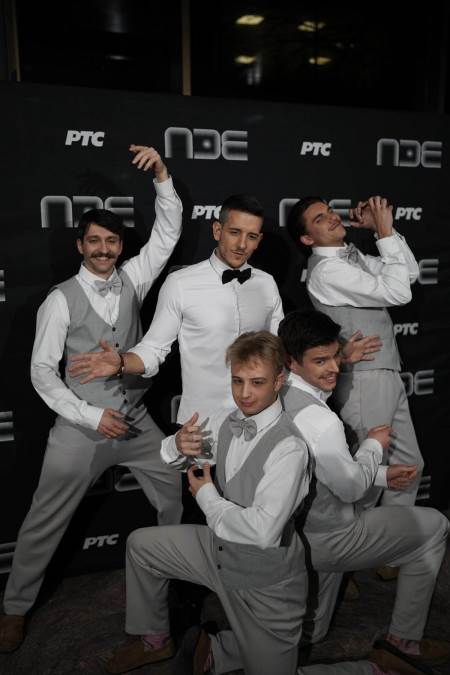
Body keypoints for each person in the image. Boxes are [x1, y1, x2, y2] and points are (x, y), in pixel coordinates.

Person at [0, 145, 183, 653]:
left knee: (173, 495)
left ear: (121, 246)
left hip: (138, 422)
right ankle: (14, 609)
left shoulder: (135, 278)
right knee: (43, 520)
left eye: (112, 241)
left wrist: (162, 175)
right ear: (80, 245)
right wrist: (88, 414)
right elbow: (41, 372)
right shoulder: (59, 300)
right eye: (95, 241)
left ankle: (172, 579)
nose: (104, 249)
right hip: (81, 429)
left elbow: (167, 234)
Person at [102, 331, 310, 675]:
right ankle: (156, 641)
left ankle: (375, 669)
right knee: (142, 546)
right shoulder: (229, 422)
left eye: (257, 382)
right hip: (217, 551)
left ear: (279, 381)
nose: (244, 393)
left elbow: (262, 533)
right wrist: (177, 445)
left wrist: (207, 495)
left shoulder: (290, 448)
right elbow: (182, 457)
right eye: (238, 381)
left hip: (265, 581)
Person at [278, 309, 450, 674]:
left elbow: (321, 470)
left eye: (334, 357)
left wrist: (383, 476)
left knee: (311, 632)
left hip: (293, 537)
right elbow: (351, 487)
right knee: (435, 526)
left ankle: (218, 650)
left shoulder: (277, 397)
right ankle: (403, 643)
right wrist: (373, 446)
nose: (334, 369)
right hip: (329, 536)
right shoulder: (320, 419)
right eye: (321, 361)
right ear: (292, 362)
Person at [68, 194, 285, 423]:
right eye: (234, 232)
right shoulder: (181, 283)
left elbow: (279, 352)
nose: (242, 245)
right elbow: (154, 348)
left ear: (258, 240)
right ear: (217, 230)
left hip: (262, 420)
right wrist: (122, 363)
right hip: (202, 423)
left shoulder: (266, 284)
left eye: (251, 236)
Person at [287, 195, 424, 511]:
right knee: (366, 479)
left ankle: (393, 537)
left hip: (384, 372)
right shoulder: (327, 270)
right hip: (363, 380)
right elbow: (397, 293)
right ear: (307, 238)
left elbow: (409, 274)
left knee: (408, 465)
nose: (332, 217)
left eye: (329, 211)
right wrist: (385, 233)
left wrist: (383, 232)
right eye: (320, 218)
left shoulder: (351, 256)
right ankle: (356, 540)